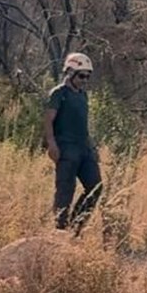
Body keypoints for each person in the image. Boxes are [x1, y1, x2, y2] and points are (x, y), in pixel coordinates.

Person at [44, 52, 102, 233]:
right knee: (65, 192)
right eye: (81, 75)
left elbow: (82, 124)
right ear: (69, 72)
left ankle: (75, 227)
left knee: (95, 186)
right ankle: (60, 230)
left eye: (88, 76)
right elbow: (48, 120)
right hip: (66, 149)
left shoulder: (83, 96)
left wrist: (92, 147)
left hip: (84, 149)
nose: (85, 80)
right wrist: (51, 144)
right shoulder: (58, 94)